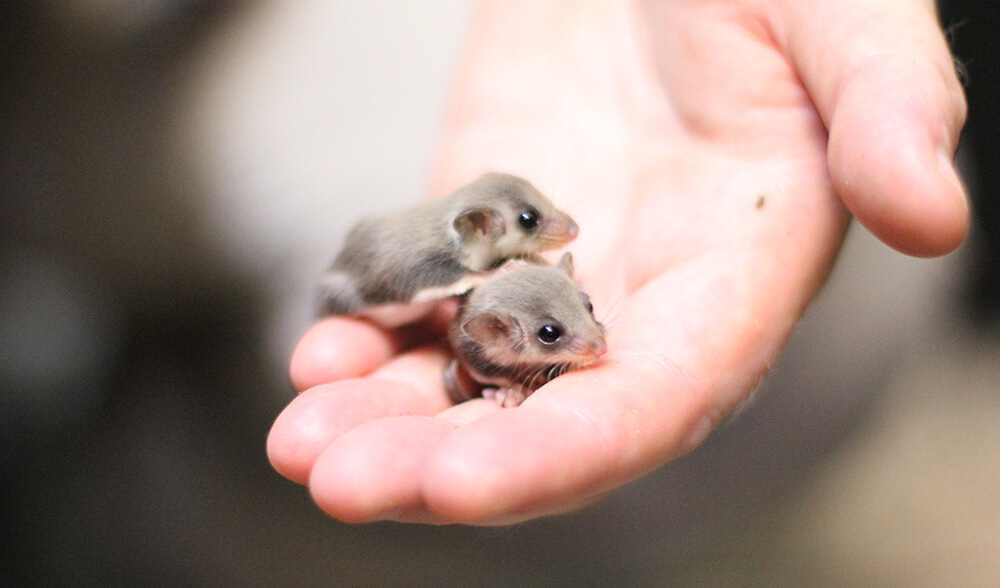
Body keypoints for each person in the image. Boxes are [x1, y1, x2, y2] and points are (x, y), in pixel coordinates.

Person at [267, 0, 967, 525]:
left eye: (584, 317)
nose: (595, 343)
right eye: (550, 335)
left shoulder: (494, 273)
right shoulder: (452, 278)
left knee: (853, 330)